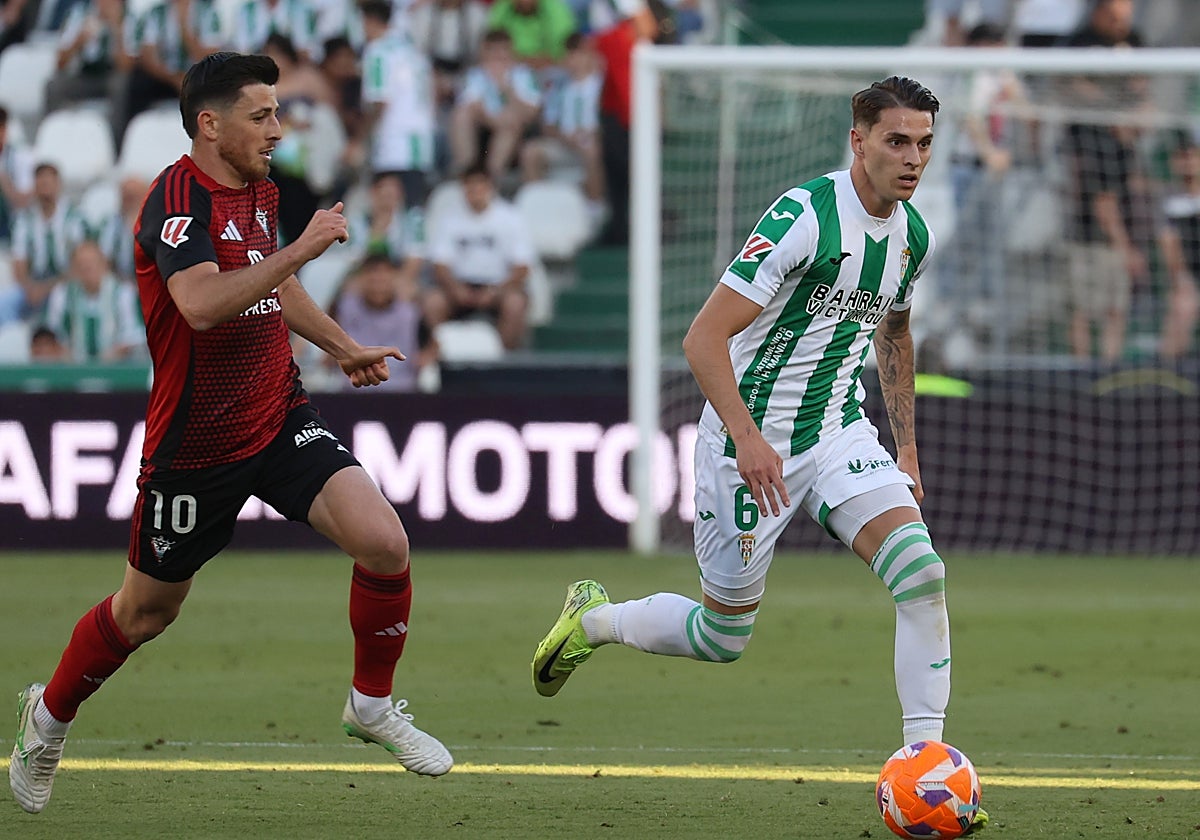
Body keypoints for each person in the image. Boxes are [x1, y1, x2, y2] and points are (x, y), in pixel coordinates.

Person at [9, 51, 452, 817]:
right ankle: (47, 721)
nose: (278, 129)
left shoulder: (258, 187)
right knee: (145, 613)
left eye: (277, 113)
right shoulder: (174, 202)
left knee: (385, 543)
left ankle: (370, 706)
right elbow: (204, 303)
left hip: (278, 415)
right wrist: (304, 246)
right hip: (196, 445)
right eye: (262, 116)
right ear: (210, 125)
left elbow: (273, 282)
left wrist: (341, 347)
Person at [531, 78, 983, 817]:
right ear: (858, 140)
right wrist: (746, 438)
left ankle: (926, 769)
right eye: (897, 141)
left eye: (924, 143)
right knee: (721, 636)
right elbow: (701, 338)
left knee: (923, 576)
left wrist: (907, 450)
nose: (913, 159)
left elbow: (894, 334)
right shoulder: (804, 216)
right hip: (746, 440)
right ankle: (594, 620)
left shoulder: (913, 237)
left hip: (837, 430)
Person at [1060, 0, 1152, 361]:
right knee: (1087, 310)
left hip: (1114, 238)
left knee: (1114, 310)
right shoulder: (1097, 142)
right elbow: (1103, 202)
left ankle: (1105, 368)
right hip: (1093, 238)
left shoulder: (1127, 152)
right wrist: (1127, 246)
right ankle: (1084, 371)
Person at [425, 163, 534, 349]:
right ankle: (445, 352)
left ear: (491, 187)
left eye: (480, 186)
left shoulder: (511, 218)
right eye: (470, 186)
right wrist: (456, 289)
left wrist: (495, 291)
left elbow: (522, 267)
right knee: (433, 302)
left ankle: (499, 358)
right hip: (459, 286)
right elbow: (440, 265)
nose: (475, 191)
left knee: (515, 304)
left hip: (498, 287)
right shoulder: (449, 218)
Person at [329, 254, 436, 392]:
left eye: (383, 277)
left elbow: (433, 344)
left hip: (402, 389)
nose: (378, 284)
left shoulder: (411, 313)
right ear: (361, 279)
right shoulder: (343, 308)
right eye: (372, 276)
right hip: (354, 389)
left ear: (394, 279)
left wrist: (424, 359)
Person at [448, 28, 542, 178]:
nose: (498, 56)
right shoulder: (474, 75)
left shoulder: (523, 74)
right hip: (483, 131)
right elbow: (469, 105)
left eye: (503, 50)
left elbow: (532, 111)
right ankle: (466, 169)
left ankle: (492, 176)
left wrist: (507, 90)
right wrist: (495, 120)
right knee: (460, 116)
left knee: (511, 122)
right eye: (493, 51)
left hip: (517, 135)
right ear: (484, 52)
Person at [41, 239, 145, 362]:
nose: (86, 269)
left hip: (117, 367)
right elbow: (54, 334)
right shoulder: (62, 295)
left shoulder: (123, 293)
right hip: (72, 367)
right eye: (81, 265)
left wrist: (110, 356)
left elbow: (133, 336)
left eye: (91, 264)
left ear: (104, 264)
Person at [9, 162, 86, 322]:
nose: (45, 187)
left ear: (58, 184)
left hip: (66, 282)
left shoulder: (74, 218)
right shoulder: (24, 220)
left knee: (61, 298)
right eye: (40, 182)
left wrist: (46, 289)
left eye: (48, 182)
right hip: (34, 284)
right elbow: (19, 263)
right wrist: (30, 287)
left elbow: (79, 264)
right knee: (6, 303)